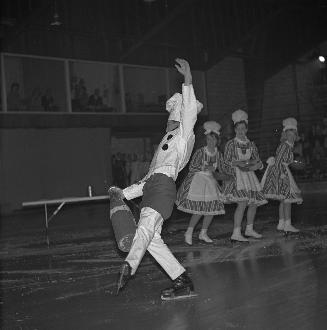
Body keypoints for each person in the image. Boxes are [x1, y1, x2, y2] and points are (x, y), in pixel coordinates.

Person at [110, 58, 203, 301]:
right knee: (153, 240)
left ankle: (129, 266)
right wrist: (123, 193)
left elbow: (190, 111)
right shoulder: (164, 144)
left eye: (172, 118)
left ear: (180, 119)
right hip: (154, 186)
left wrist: (188, 78)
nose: (168, 121)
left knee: (146, 226)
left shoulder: (183, 136)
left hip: (163, 188)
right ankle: (182, 280)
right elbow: (147, 179)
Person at [176, 121, 227, 245]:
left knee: (211, 209)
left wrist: (226, 175)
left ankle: (203, 233)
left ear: (217, 141)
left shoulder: (219, 155)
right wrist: (204, 168)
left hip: (210, 183)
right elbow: (192, 166)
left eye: (213, 140)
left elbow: (223, 168)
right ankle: (189, 232)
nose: (211, 142)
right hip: (198, 182)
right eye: (209, 139)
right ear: (206, 140)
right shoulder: (200, 152)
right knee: (198, 210)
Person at [223, 109, 267, 242]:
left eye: (243, 129)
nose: (241, 131)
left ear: (246, 129)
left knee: (253, 204)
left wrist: (258, 165)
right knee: (242, 203)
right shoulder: (231, 144)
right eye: (238, 129)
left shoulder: (251, 144)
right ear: (235, 129)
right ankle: (236, 232)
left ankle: (249, 229)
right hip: (238, 177)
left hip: (250, 177)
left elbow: (258, 160)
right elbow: (227, 161)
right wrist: (244, 163)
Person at [261, 118, 303, 233]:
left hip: (282, 171)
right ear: (285, 135)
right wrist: (282, 175)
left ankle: (281, 223)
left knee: (283, 200)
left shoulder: (289, 145)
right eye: (289, 134)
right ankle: (287, 224)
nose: (292, 137)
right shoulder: (285, 145)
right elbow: (279, 161)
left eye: (294, 134)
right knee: (287, 199)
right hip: (281, 172)